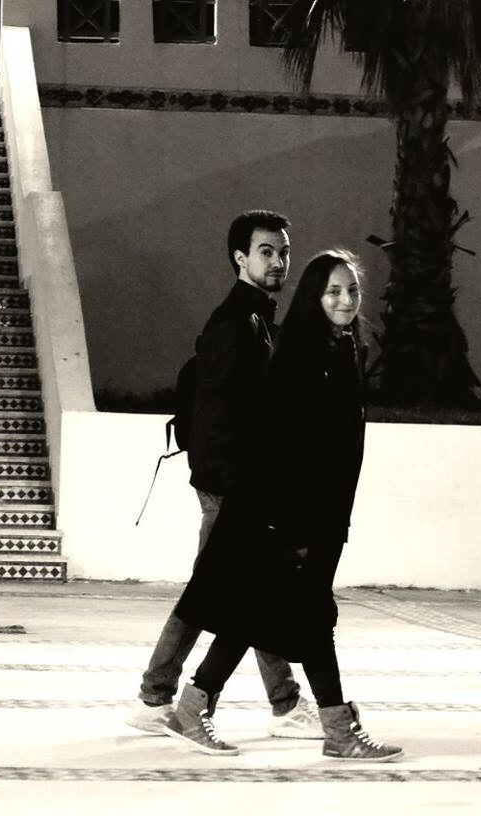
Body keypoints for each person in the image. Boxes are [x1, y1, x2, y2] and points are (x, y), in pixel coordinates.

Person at [165, 249, 403, 762]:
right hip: (290, 516)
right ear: (313, 297)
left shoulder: (342, 351)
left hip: (315, 516)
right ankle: (337, 728)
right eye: (332, 291)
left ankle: (196, 702)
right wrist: (290, 526)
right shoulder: (301, 356)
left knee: (263, 615)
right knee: (308, 617)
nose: (344, 299)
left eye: (351, 291)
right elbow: (280, 445)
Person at [126, 210, 322, 740]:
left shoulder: (256, 319)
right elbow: (218, 419)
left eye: (283, 251)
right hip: (231, 489)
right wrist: (233, 489)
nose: (279, 261)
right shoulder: (234, 324)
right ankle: (155, 696)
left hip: (241, 488)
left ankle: (283, 703)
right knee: (211, 595)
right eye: (266, 252)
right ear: (240, 258)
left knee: (247, 593)